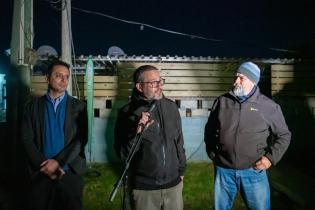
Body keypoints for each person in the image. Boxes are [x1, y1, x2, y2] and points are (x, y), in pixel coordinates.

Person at [204, 61, 291, 210]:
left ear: (253, 81)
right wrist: (213, 153)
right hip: (224, 171)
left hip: (253, 171)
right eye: (235, 77)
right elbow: (210, 130)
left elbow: (284, 135)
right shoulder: (222, 102)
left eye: (241, 78)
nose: (236, 81)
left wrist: (270, 159)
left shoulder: (268, 107)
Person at [114, 65, 186, 210]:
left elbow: (178, 140)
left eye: (160, 81)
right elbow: (123, 154)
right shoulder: (127, 113)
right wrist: (136, 131)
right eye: (153, 83)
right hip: (144, 189)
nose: (159, 86)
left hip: (174, 185)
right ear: (140, 87)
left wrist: (182, 170)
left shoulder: (171, 107)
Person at [22, 59, 87, 210]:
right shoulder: (31, 107)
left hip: (69, 172)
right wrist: (44, 165)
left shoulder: (79, 107)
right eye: (58, 75)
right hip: (41, 172)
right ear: (47, 78)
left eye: (66, 76)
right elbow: (26, 139)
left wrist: (58, 162)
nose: (64, 80)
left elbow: (81, 139)